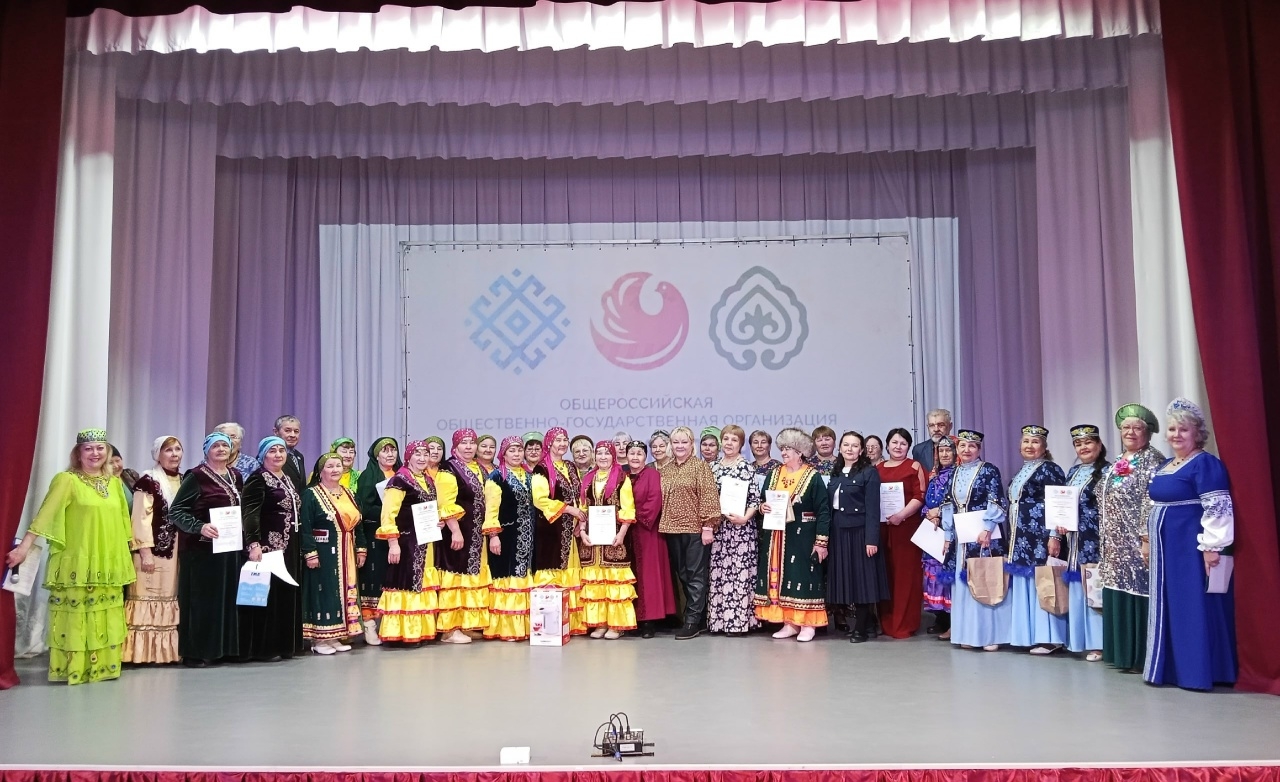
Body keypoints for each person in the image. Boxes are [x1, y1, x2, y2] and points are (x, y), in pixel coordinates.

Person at [5, 429, 135, 684]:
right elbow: (45, 515)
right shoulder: (67, 480)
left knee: (105, 613)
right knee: (76, 616)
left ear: (107, 451)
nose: (95, 453)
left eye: (100, 448)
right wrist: (24, 548)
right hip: (78, 560)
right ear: (78, 453)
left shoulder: (114, 483)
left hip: (107, 560)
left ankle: (103, 668)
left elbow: (123, 522)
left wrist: (127, 555)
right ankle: (75, 669)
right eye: (88, 448)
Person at [1145, 399, 1237, 691]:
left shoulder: (1205, 464)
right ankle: (1170, 669)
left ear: (1197, 433)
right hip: (1166, 550)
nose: (1176, 435)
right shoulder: (1165, 465)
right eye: (1172, 429)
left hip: (1189, 548)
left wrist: (1212, 546)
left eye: (1183, 429)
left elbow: (1218, 507)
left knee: (1192, 603)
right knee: (1171, 603)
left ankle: (1196, 672)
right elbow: (1154, 505)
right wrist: (1147, 540)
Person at [168, 432, 245, 667]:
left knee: (227, 599)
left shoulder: (235, 475)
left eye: (225, 445)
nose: (221, 449)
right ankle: (197, 652)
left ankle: (224, 649)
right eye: (215, 446)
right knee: (203, 601)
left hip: (229, 548)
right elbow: (176, 511)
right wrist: (199, 526)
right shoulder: (196, 476)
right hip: (201, 550)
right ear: (206, 450)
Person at [1097, 403, 1163, 673]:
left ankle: (1139, 656)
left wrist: (1146, 539)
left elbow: (1151, 500)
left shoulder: (1152, 459)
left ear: (1148, 433)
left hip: (1136, 544)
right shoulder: (1119, 460)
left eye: (1137, 428)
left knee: (1139, 591)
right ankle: (1120, 654)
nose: (1131, 432)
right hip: (1114, 543)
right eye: (1126, 427)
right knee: (1117, 591)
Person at [754, 427, 830, 642]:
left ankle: (808, 624)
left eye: (788, 449)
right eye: (783, 448)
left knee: (803, 577)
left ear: (800, 452)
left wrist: (821, 542)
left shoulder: (813, 476)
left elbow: (823, 511)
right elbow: (763, 500)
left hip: (803, 536)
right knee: (782, 578)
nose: (784, 452)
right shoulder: (774, 473)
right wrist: (762, 508)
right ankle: (790, 623)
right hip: (776, 537)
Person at [375, 439, 454, 644]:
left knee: (422, 583)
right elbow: (388, 515)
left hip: (426, 543)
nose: (422, 458)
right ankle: (402, 634)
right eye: (417, 454)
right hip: (406, 542)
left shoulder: (428, 480)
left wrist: (438, 522)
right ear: (408, 456)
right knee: (406, 583)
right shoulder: (399, 481)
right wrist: (393, 543)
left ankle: (420, 631)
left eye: (425, 454)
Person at [941, 430, 1010, 652]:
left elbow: (996, 499)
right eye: (962, 445)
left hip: (982, 535)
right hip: (961, 537)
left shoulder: (988, 470)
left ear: (979, 449)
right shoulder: (953, 472)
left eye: (972, 446)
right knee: (963, 582)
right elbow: (948, 504)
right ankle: (967, 634)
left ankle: (989, 635)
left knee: (984, 579)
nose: (966, 450)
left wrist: (987, 528)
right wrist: (948, 535)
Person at [240, 436, 303, 661]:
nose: (278, 455)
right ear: (262, 455)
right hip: (268, 545)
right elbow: (250, 513)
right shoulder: (258, 478)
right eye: (272, 451)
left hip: (289, 545)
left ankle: (285, 645)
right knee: (269, 596)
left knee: (285, 594)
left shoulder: (286, 477)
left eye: (281, 450)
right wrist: (254, 543)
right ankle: (265, 648)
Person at [1005, 425, 1068, 653]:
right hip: (1021, 538)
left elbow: (1058, 503)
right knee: (1027, 583)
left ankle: (1051, 638)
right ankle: (1029, 635)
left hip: (1040, 537)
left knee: (1044, 581)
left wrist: (1054, 536)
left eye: (1035, 442)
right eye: (1026, 441)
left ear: (1044, 446)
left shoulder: (1050, 469)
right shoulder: (1023, 469)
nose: (1029, 446)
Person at [123, 435, 184, 664]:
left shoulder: (185, 479)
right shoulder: (148, 481)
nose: (174, 454)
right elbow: (140, 519)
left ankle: (165, 653)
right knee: (146, 597)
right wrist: (145, 553)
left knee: (169, 597)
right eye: (168, 450)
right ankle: (142, 653)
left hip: (175, 552)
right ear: (157, 454)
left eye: (177, 449)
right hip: (152, 552)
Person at [301, 452, 367, 654]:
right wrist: (310, 552)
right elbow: (305, 526)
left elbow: (359, 524)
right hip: (324, 552)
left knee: (343, 591)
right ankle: (320, 639)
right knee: (325, 590)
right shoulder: (311, 494)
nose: (335, 470)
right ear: (320, 471)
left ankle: (336, 635)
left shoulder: (349, 493)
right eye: (330, 466)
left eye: (338, 466)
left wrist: (361, 548)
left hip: (347, 550)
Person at [659, 426, 721, 640]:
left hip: (695, 529)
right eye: (676, 442)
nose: (680, 446)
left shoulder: (700, 467)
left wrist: (708, 526)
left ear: (691, 444)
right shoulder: (666, 469)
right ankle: (699, 617)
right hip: (670, 528)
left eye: (684, 442)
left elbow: (709, 497)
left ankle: (692, 621)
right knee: (683, 574)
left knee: (695, 575)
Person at [826, 431, 888, 643]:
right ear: (840, 448)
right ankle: (868, 624)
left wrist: (871, 539)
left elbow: (873, 509)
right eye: (846, 445)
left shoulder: (869, 473)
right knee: (847, 579)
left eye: (854, 445)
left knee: (862, 580)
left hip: (860, 533)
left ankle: (860, 628)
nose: (849, 449)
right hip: (838, 532)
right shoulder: (836, 472)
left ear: (861, 450)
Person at [531, 427, 587, 635]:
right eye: (558, 440)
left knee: (569, 570)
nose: (562, 444)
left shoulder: (570, 466)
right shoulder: (541, 469)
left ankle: (569, 624)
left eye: (565, 440)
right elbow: (539, 499)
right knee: (551, 569)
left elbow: (580, 495)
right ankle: (549, 626)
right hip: (550, 529)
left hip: (570, 530)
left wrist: (580, 521)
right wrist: (569, 510)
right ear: (549, 443)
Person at [579, 441, 638, 638]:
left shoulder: (622, 478)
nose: (603, 457)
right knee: (596, 582)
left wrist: (622, 533)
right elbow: (583, 508)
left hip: (614, 537)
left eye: (607, 453)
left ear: (613, 456)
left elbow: (628, 508)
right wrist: (582, 530)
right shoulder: (588, 478)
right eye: (599, 453)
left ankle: (616, 625)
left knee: (615, 582)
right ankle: (601, 624)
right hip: (592, 540)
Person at [707, 424, 762, 636]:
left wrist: (744, 518)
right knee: (719, 574)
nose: (729, 443)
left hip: (741, 531)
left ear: (741, 444)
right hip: (719, 530)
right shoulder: (712, 467)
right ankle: (719, 622)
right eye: (726, 439)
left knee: (739, 575)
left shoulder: (747, 467)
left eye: (734, 440)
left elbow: (755, 499)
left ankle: (738, 623)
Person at [1060, 425, 1108, 661]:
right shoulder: (1073, 471)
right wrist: (1059, 524)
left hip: (1097, 537)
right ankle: (1079, 640)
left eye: (1088, 442)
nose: (1084, 447)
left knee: (1095, 587)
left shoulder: (1108, 471)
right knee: (1078, 586)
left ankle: (1099, 643)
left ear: (1099, 445)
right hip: (1075, 539)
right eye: (1079, 444)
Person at [440, 429, 492, 643]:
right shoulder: (449, 469)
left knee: (470, 577)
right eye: (464, 443)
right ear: (455, 446)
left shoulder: (479, 467)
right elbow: (445, 503)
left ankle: (465, 624)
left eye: (472, 442)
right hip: (458, 532)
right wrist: (455, 530)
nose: (469, 447)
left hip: (476, 534)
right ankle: (449, 629)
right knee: (455, 576)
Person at [482, 436, 537, 641]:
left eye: (519, 450)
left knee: (523, 574)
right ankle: (508, 628)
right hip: (506, 536)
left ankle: (525, 627)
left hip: (527, 536)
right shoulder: (496, 477)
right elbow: (491, 510)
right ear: (503, 454)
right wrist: (493, 536)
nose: (516, 454)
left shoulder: (529, 475)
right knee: (507, 576)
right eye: (511, 451)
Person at [876, 428, 928, 639]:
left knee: (906, 577)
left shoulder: (914, 466)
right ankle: (887, 622)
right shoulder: (878, 468)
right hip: (882, 529)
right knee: (886, 576)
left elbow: (920, 495)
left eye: (903, 443)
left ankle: (905, 624)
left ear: (908, 446)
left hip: (907, 528)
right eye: (894, 442)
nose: (898, 447)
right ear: (887, 445)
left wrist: (901, 515)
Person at [625, 441, 675, 638]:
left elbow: (654, 500)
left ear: (645, 457)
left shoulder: (652, 475)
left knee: (648, 575)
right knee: (628, 574)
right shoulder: (622, 475)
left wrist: (632, 517)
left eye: (639, 453)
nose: (635, 457)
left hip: (647, 532)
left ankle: (648, 621)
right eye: (632, 453)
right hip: (624, 533)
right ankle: (629, 619)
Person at [354, 436, 399, 645]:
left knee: (392, 579)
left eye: (393, 450)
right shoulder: (368, 477)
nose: (390, 454)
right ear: (376, 455)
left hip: (398, 536)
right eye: (385, 450)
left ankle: (388, 625)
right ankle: (369, 624)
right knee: (373, 578)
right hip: (375, 537)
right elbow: (363, 508)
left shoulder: (402, 474)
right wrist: (387, 510)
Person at [921, 436, 957, 639]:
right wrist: (929, 514)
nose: (944, 454)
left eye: (948, 450)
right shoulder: (934, 476)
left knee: (948, 576)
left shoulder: (958, 475)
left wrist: (940, 513)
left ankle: (954, 623)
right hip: (933, 532)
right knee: (935, 576)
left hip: (952, 532)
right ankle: (941, 620)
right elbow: (926, 502)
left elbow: (959, 502)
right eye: (940, 451)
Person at [912, 409, 953, 475]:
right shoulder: (918, 450)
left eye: (941, 425)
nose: (936, 429)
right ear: (928, 427)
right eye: (932, 425)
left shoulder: (959, 448)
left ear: (950, 426)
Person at [275, 415, 306, 494]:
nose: (293, 435)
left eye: (296, 431)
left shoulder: (299, 456)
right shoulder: (270, 455)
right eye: (287, 431)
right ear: (276, 432)